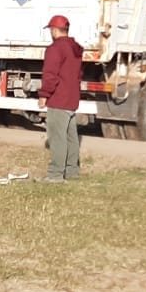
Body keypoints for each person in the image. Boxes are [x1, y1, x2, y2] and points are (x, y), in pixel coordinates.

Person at [38, 14, 83, 182]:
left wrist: (44, 95)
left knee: (57, 138)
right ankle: (72, 171)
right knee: (71, 138)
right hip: (72, 98)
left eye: (51, 30)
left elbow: (50, 75)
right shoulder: (75, 48)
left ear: (55, 30)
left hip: (59, 99)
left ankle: (55, 174)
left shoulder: (55, 49)